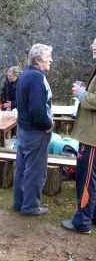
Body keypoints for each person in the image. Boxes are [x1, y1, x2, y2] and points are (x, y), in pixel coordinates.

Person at [13, 43, 53, 216]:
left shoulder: (25, 75)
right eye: (48, 56)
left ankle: (19, 203)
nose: (51, 59)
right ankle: (30, 207)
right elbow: (37, 109)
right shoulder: (37, 77)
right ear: (37, 60)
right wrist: (47, 125)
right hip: (36, 132)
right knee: (35, 172)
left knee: (22, 169)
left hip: (23, 130)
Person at [61, 39, 96, 234]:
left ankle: (82, 222)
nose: (93, 47)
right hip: (90, 136)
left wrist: (81, 94)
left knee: (86, 181)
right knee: (92, 180)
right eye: (92, 44)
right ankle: (92, 215)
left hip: (92, 138)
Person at [3, 66, 22, 138]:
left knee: (15, 122)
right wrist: (8, 104)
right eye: (8, 75)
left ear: (16, 76)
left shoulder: (21, 82)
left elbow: (22, 98)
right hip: (10, 105)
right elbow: (7, 93)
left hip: (18, 106)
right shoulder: (8, 81)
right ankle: (5, 135)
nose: (8, 77)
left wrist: (12, 104)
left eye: (10, 76)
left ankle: (14, 135)